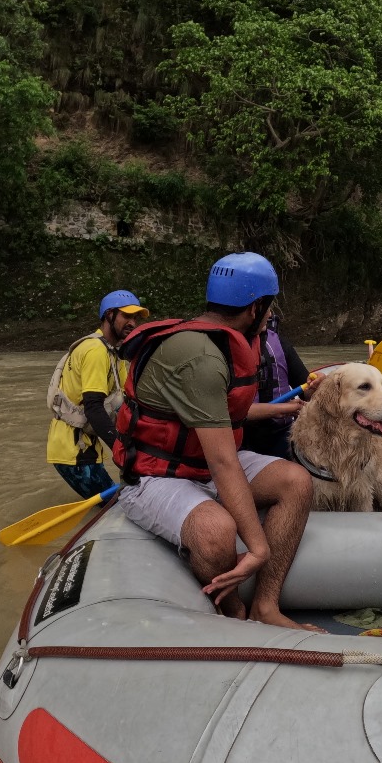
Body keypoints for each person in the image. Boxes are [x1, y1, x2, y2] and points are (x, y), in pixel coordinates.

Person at [112, 252, 323, 632]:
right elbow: (224, 461)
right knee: (216, 531)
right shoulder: (201, 357)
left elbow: (226, 416)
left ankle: (265, 606)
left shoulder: (219, 342)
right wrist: (258, 549)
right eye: (269, 309)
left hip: (199, 463)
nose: (270, 318)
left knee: (295, 481)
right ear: (256, 307)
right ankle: (234, 616)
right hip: (154, 477)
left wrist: (289, 407)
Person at [46, 290, 148, 498]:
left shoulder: (114, 352)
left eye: (135, 318)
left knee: (122, 499)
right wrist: (120, 450)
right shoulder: (95, 351)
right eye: (126, 316)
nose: (132, 323)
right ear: (109, 315)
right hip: (74, 451)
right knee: (119, 503)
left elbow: (126, 401)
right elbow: (94, 408)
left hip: (87, 446)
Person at [241, 311, 315, 460]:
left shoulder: (279, 343)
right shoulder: (219, 350)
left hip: (280, 435)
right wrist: (276, 409)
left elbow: (307, 393)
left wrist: (316, 386)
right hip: (239, 439)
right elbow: (225, 413)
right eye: (266, 308)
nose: (269, 315)